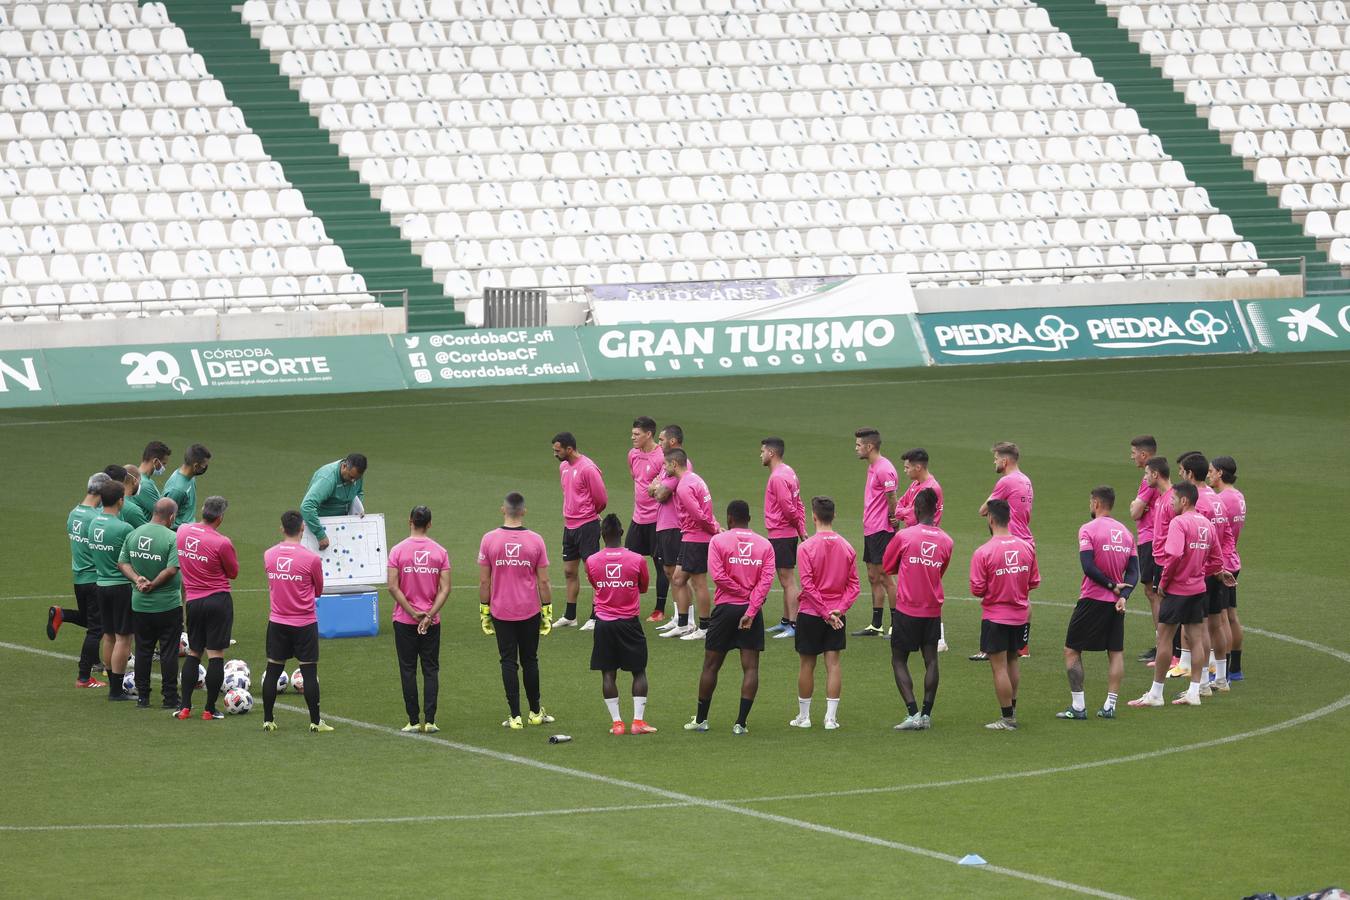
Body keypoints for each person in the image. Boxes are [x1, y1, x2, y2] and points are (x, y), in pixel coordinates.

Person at [1128, 482, 1234, 708]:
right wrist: (1202, 574)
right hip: (1198, 590)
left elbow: (1174, 556)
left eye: (1174, 500)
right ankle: (1195, 691)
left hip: (1177, 590)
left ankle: (1156, 694)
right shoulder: (1206, 523)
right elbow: (1216, 559)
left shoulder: (1178, 523)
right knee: (1197, 640)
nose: (1172, 503)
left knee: (1164, 639)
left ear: (1184, 500)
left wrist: (1164, 583)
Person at [685, 500, 774, 735]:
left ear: (729, 519)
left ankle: (702, 720)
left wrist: (743, 595)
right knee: (751, 667)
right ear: (749, 520)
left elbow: (719, 577)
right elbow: (765, 584)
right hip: (751, 611)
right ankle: (741, 723)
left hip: (725, 610)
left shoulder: (718, 541)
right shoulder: (764, 545)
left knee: (711, 665)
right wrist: (752, 604)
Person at [1059, 487, 1138, 721]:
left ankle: (1078, 706)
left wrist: (1111, 585)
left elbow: (1088, 566)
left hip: (1093, 599)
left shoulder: (1088, 529)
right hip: (1116, 604)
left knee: (1072, 650)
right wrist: (1124, 595)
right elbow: (1134, 571)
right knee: (1115, 652)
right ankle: (1109, 706)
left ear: (1095, 503)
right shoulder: (1126, 533)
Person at [478, 492, 555, 729]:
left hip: (501, 611)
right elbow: (544, 582)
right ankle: (534, 712)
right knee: (530, 660)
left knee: (508, 662)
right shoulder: (536, 540)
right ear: (523, 511)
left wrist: (484, 610)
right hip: (530, 610)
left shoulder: (489, 539)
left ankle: (515, 716)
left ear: (503, 510)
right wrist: (547, 610)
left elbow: (484, 582)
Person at [883, 487, 953, 731]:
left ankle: (912, 713)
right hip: (932, 609)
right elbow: (940, 571)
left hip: (907, 608)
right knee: (931, 660)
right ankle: (926, 714)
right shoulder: (947, 540)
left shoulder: (905, 536)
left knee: (898, 659)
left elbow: (888, 566)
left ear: (918, 508)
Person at [970, 499, 1039, 731]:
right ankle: (1013, 709)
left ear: (990, 518)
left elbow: (977, 589)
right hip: (1019, 615)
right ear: (1009, 518)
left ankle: (1007, 718)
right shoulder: (1026, 547)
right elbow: (1034, 581)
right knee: (1012, 661)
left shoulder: (984, 552)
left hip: (995, 616)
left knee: (998, 667)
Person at [790, 496, 859, 730]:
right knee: (834, 665)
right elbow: (854, 586)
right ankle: (830, 718)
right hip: (837, 616)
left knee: (807, 665)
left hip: (811, 613)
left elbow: (807, 585)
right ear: (834, 516)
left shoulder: (805, 547)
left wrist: (824, 612)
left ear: (814, 516)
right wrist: (839, 610)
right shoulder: (847, 546)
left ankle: (804, 717)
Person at [585, 514, 656, 735]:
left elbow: (595, 583)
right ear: (622, 532)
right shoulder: (637, 560)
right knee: (638, 671)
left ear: (602, 535)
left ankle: (617, 723)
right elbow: (643, 587)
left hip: (604, 623)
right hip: (629, 623)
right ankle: (637, 722)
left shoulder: (592, 561)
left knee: (608, 672)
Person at [262, 510, 331, 733]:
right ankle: (315, 722)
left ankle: (268, 720)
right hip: (304, 622)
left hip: (278, 621)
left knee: (272, 671)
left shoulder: (269, 555)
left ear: (282, 528)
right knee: (309, 672)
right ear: (303, 529)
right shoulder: (311, 559)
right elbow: (318, 590)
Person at [174, 495, 240, 720]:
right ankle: (209, 709)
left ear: (203, 510)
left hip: (193, 601)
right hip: (217, 601)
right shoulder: (222, 542)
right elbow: (232, 573)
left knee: (194, 652)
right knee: (215, 655)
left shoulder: (183, 531)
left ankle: (184, 707)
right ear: (220, 518)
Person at [387, 506, 451, 733]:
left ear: (410, 521)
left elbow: (392, 586)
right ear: (430, 524)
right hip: (431, 622)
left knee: (408, 669)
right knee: (431, 669)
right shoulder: (440, 552)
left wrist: (413, 613)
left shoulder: (397, 551)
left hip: (405, 620)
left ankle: (413, 720)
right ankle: (431, 720)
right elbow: (445, 589)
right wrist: (430, 614)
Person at [117, 497, 182, 710]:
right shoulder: (173, 538)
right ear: (171, 517)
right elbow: (172, 569)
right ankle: (170, 697)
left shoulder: (133, 534)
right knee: (169, 651)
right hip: (168, 605)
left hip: (140, 605)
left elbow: (122, 562)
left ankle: (143, 697)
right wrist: (153, 584)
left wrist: (138, 580)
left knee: (143, 650)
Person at [974, 442, 1035, 661]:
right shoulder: (1026, 480)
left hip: (1010, 544)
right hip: (1027, 543)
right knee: (1022, 597)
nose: (994, 462)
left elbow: (985, 509)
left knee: (994, 594)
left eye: (996, 458)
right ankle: (1022, 646)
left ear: (1005, 460)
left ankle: (990, 647)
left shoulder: (1006, 481)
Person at [48, 472, 110, 688]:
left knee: (89, 619)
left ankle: (62, 614)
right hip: (95, 578)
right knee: (97, 628)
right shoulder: (96, 519)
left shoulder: (73, 513)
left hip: (79, 577)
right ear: (102, 492)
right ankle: (84, 677)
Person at [1180, 453, 1231, 692]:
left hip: (1201, 571)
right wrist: (1222, 565)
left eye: (1181, 471)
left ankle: (1201, 684)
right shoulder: (1217, 499)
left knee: (1198, 628)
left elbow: (1198, 539)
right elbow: (1227, 536)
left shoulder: (1197, 502)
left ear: (1190, 474)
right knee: (1217, 622)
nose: (1180, 476)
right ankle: (1221, 679)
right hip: (1218, 568)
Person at [551, 432, 607, 630]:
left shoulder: (588, 468)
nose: (555, 454)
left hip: (587, 526)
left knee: (592, 572)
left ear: (569, 449)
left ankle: (596, 615)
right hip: (569, 526)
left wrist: (590, 513)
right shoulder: (563, 467)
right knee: (569, 571)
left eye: (557, 451)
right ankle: (570, 616)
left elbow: (601, 498)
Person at [894, 447, 948, 652]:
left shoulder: (932, 488)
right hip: (914, 541)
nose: (905, 471)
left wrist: (904, 513)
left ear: (918, 467)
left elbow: (913, 516)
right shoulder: (915, 484)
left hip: (928, 542)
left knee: (930, 589)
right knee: (913, 586)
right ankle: (921, 635)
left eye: (907, 467)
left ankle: (939, 638)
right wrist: (904, 511)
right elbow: (901, 507)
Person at [88, 480, 136, 701]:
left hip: (101, 584)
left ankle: (111, 683)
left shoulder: (93, 523)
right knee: (123, 638)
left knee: (108, 635)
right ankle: (116, 690)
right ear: (120, 500)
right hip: (120, 587)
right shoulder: (123, 528)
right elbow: (130, 559)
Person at [666, 447, 718, 640]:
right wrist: (715, 525)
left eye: (665, 464)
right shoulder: (695, 479)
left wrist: (713, 528)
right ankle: (683, 624)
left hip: (696, 538)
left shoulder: (683, 486)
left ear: (674, 464)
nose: (664, 468)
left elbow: (698, 514)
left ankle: (705, 628)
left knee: (699, 583)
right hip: (690, 537)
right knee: (678, 579)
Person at [853, 428, 898, 637]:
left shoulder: (884, 468)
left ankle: (896, 624)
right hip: (871, 529)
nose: (856, 449)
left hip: (882, 530)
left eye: (858, 445)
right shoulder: (872, 467)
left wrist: (894, 521)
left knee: (886, 577)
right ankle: (876, 624)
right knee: (872, 576)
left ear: (869, 446)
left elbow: (892, 498)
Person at [761, 437, 807, 641]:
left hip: (782, 533)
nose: (760, 455)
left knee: (788, 579)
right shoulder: (789, 471)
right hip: (784, 533)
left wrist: (799, 528)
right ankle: (786, 621)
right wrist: (801, 528)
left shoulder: (777, 477)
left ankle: (795, 624)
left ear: (771, 453)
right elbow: (799, 504)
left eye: (762, 451)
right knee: (784, 578)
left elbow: (789, 508)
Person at [1209, 456, 1248, 681]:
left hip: (1220, 563)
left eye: (1212, 471)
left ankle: (1220, 670)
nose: (1209, 475)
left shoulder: (1221, 500)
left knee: (1220, 618)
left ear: (1221, 473)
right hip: (1233, 559)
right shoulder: (1239, 496)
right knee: (1231, 615)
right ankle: (1235, 669)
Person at [625, 417, 667, 623]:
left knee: (661, 565)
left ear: (648, 434)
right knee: (627, 562)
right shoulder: (632, 454)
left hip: (657, 519)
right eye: (632, 434)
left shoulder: (661, 457)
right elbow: (636, 478)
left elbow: (664, 487)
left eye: (636, 434)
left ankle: (659, 609)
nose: (632, 438)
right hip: (637, 518)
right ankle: (628, 605)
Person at [651, 425, 691, 635]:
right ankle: (678, 617)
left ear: (673, 441)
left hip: (675, 525)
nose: (659, 443)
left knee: (678, 575)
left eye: (661, 439)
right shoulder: (666, 464)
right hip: (663, 524)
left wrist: (657, 487)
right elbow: (651, 489)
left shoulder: (681, 464)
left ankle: (687, 620)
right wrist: (656, 487)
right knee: (669, 572)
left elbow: (660, 494)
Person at [1128, 436, 1161, 665]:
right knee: (1155, 592)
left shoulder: (1148, 480)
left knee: (1153, 593)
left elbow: (1135, 512)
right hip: (1154, 538)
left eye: (1133, 452)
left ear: (1144, 455)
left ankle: (1164, 644)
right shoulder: (1157, 477)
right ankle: (1165, 643)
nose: (1131, 456)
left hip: (1150, 539)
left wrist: (1138, 505)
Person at [1144, 456, 1177, 672]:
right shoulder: (1161, 498)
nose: (1145, 478)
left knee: (1171, 611)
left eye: (1147, 473)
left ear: (1156, 474)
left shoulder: (1172, 499)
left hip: (1167, 560)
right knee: (1163, 606)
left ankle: (1175, 656)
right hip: (1158, 559)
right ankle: (1170, 654)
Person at [300, 453, 367, 551]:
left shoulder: (355, 475)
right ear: (344, 466)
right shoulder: (327, 479)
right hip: (320, 527)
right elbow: (307, 507)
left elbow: (359, 492)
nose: (353, 481)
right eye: (351, 477)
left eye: (356, 478)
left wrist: (358, 508)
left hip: (341, 526)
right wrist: (320, 534)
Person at [163, 444, 211, 530]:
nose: (205, 468)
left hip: (188, 530)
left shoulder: (190, 477)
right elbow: (164, 519)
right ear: (195, 466)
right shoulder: (177, 489)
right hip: (178, 536)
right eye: (204, 465)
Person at [129, 440, 172, 520]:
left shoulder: (135, 478)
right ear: (155, 461)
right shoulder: (144, 484)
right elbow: (163, 513)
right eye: (164, 463)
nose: (164, 467)